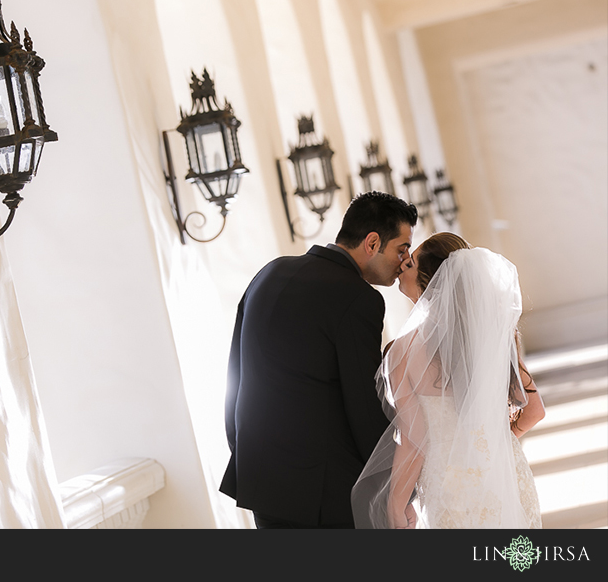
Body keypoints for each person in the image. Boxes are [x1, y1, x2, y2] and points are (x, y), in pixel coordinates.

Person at [219, 191, 418, 529]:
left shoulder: (269, 273)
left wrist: (241, 449)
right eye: (402, 248)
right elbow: (364, 406)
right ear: (372, 243)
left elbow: (236, 375)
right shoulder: (359, 299)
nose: (405, 260)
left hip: (260, 476)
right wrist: (395, 489)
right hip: (323, 491)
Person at [351, 232, 545, 529]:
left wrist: (396, 502)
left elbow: (415, 438)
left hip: (450, 489)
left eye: (411, 263)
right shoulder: (493, 336)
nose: (402, 265)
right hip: (506, 476)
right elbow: (534, 411)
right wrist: (490, 445)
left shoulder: (401, 352)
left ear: (430, 278)